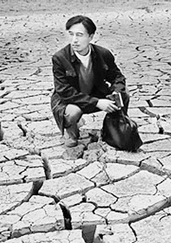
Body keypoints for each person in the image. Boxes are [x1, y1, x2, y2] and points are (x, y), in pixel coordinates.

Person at [50, 15, 129, 147]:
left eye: (79, 35)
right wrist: (97, 102)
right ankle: (71, 132)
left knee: (123, 94)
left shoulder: (103, 54)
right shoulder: (59, 58)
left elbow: (117, 77)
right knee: (72, 113)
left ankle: (114, 129)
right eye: (71, 34)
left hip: (94, 93)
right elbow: (65, 92)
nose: (74, 40)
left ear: (90, 37)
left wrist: (116, 93)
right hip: (69, 101)